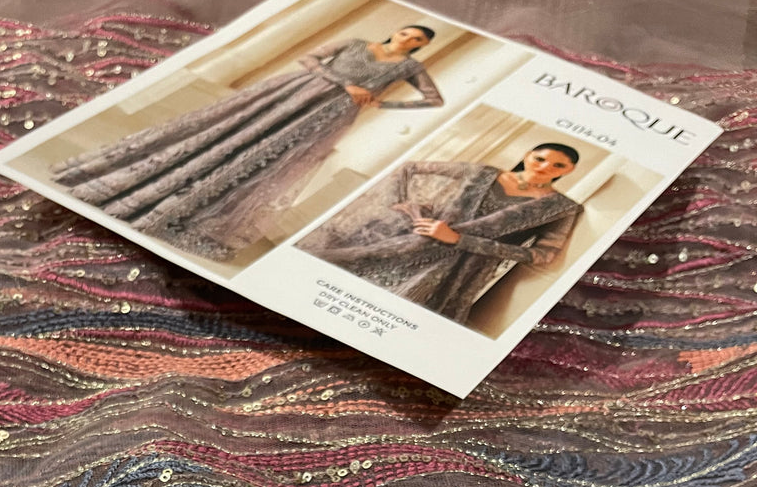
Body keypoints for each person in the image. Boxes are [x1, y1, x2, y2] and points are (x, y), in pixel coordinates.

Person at [51, 25, 443, 260]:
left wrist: (380, 102)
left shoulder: (410, 67)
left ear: (419, 47)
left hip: (330, 114)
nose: (409, 39)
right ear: (398, 32)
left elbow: (433, 99)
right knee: (228, 134)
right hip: (292, 92)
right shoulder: (357, 42)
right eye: (408, 32)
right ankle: (140, 188)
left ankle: (189, 214)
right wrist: (344, 83)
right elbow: (309, 59)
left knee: (268, 162)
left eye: (417, 39)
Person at [300, 143, 582, 324]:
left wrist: (461, 240)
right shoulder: (482, 173)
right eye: (540, 158)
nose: (544, 167)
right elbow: (409, 168)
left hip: (458, 271)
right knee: (334, 291)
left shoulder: (560, 207)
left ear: (569, 170)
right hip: (408, 244)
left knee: (397, 316)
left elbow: (542, 255)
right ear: (527, 155)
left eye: (558, 166)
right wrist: (402, 204)